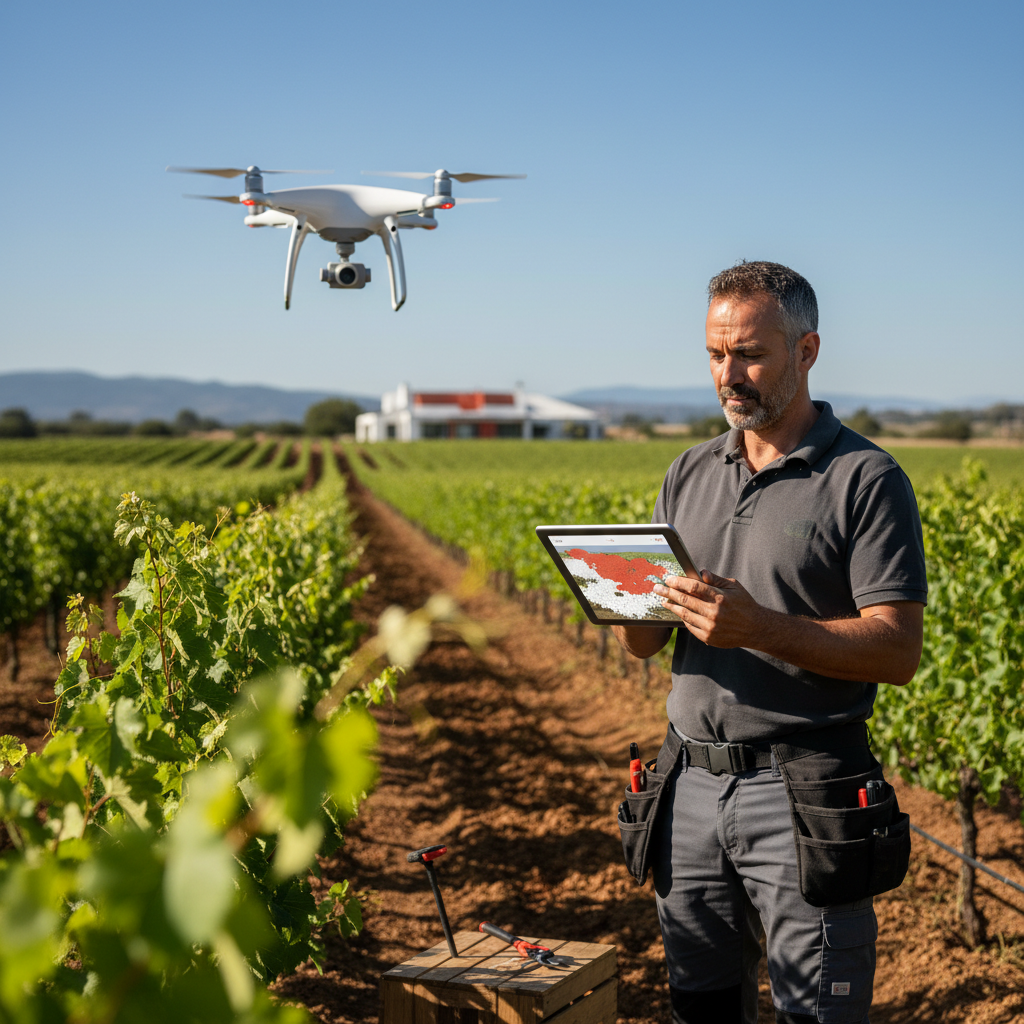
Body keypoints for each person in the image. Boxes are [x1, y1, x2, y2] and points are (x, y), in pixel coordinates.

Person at [613, 261, 927, 1024]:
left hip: (801, 791)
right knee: (702, 1007)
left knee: (815, 1012)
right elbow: (645, 647)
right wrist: (628, 602)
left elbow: (896, 651)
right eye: (717, 355)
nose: (730, 376)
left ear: (807, 351)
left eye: (750, 354)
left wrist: (761, 628)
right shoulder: (689, 471)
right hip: (686, 781)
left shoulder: (864, 478)